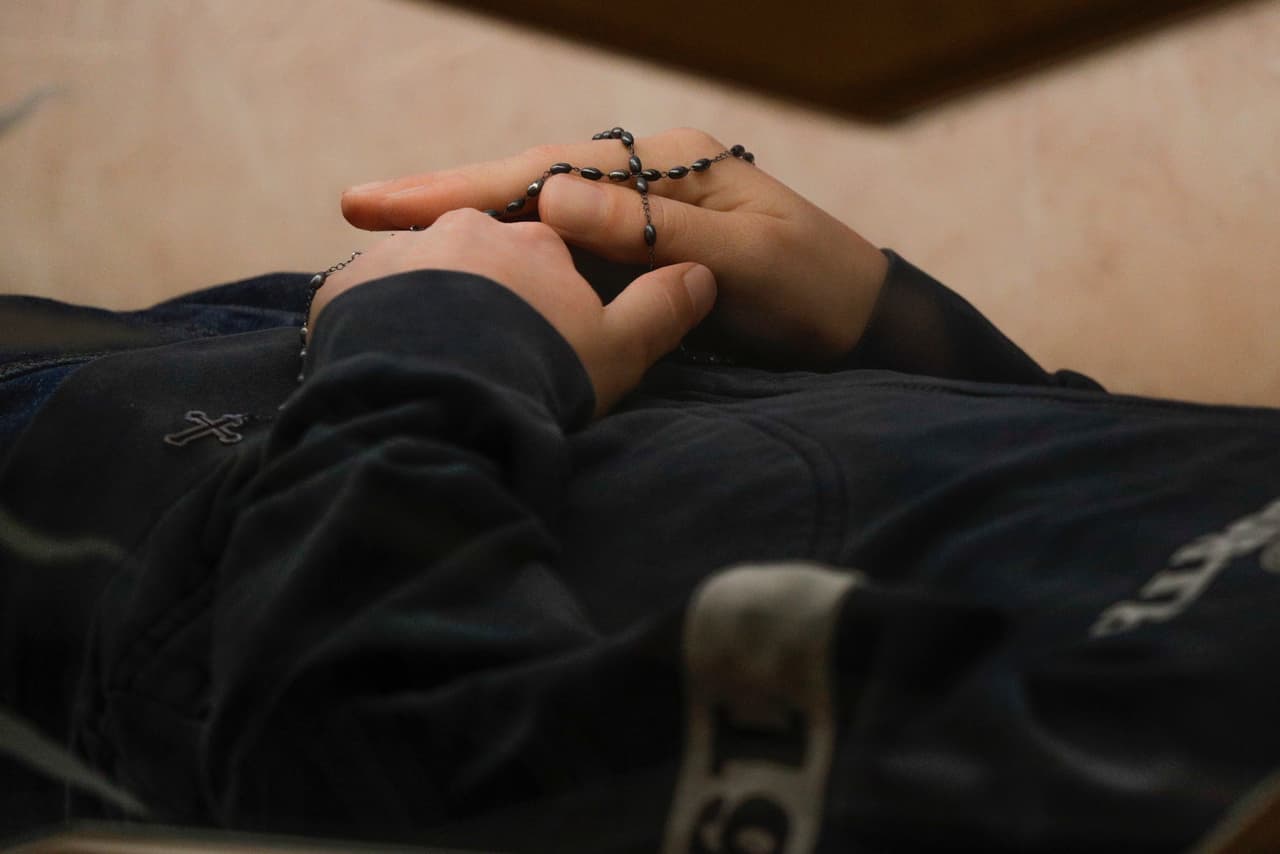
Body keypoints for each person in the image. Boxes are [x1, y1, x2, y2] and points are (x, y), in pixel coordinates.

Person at [1, 126, 1278, 853]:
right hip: (293, 368)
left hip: (131, 563)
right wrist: (882, 317)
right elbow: (1100, 566)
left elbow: (384, 778)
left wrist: (431, 353)